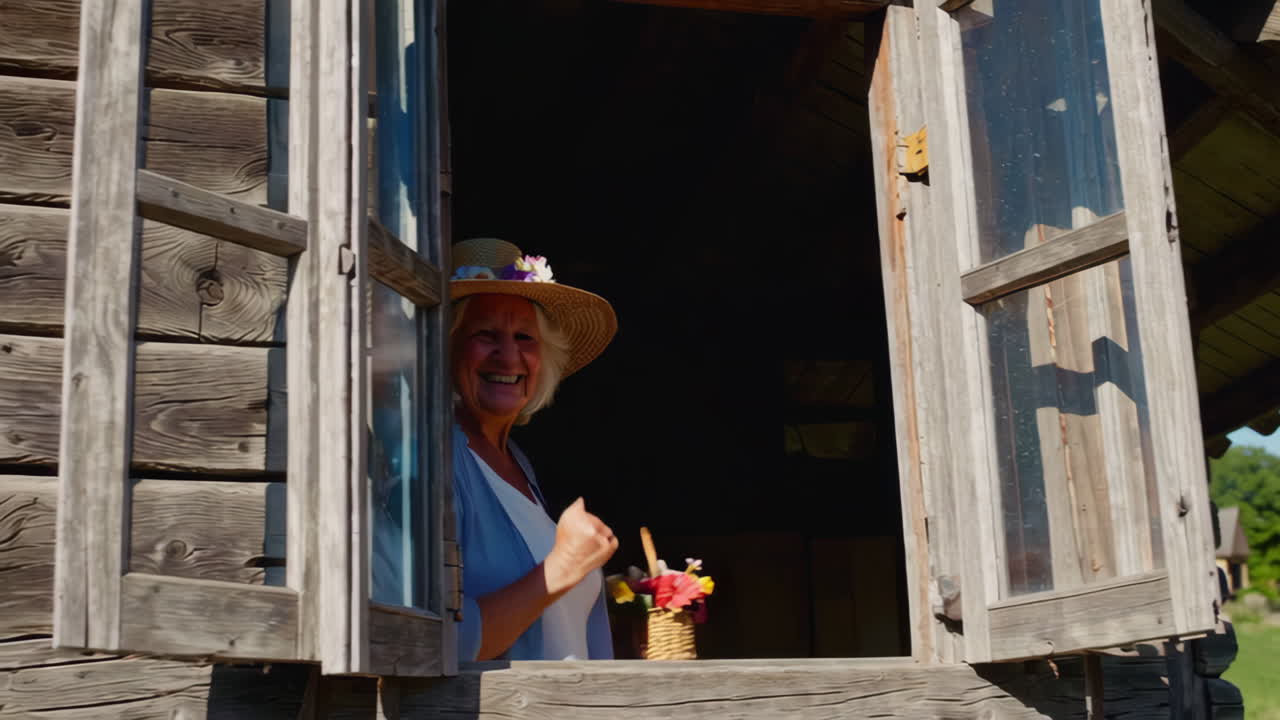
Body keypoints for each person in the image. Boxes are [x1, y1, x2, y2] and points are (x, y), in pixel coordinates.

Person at [449, 237, 619, 662]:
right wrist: (563, 567)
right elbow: (442, 643)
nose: (508, 357)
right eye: (485, 335)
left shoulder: (517, 464)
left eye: (524, 337)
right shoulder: (438, 461)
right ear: (444, 347)